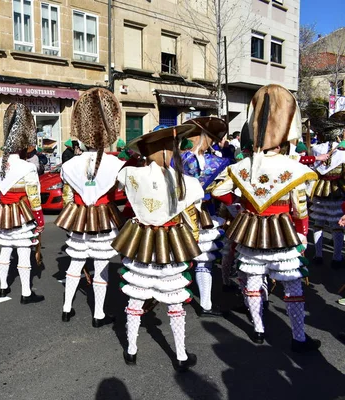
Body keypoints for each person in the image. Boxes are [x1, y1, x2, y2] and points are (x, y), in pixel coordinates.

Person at [212, 84, 320, 352]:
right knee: (292, 286)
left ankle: (258, 330)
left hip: (251, 230)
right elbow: (300, 207)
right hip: (283, 232)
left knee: (252, 280)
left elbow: (218, 190)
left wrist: (241, 204)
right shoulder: (293, 168)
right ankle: (298, 338)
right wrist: (302, 235)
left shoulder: (241, 166)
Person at [115, 124, 203, 371]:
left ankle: (131, 350)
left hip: (141, 239)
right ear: (168, 150)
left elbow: (121, 186)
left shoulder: (129, 174)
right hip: (170, 241)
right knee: (173, 300)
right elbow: (193, 211)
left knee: (136, 295)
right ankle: (181, 355)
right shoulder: (187, 181)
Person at [56, 88, 126, 327]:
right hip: (104, 217)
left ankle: (66, 308)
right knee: (100, 265)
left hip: (79, 216)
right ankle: (98, 314)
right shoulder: (116, 163)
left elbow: (70, 187)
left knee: (75, 263)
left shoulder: (70, 164)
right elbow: (122, 189)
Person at [0, 103, 45, 304]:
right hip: (21, 211)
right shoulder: (27, 167)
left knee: (5, 248)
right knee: (22, 251)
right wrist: (39, 220)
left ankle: (3, 287)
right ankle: (26, 292)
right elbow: (34, 197)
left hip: (3, 211)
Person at [178, 117, 231, 316]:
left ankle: (184, 299)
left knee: (185, 256)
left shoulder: (176, 158)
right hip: (199, 212)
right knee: (202, 259)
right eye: (209, 138)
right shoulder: (206, 161)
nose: (212, 142)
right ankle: (204, 304)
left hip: (183, 211)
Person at [309, 114, 345, 268]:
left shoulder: (316, 148)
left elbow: (312, 168)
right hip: (336, 189)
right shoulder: (343, 153)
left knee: (318, 223)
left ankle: (318, 255)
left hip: (319, 188)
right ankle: (336, 258)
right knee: (336, 225)